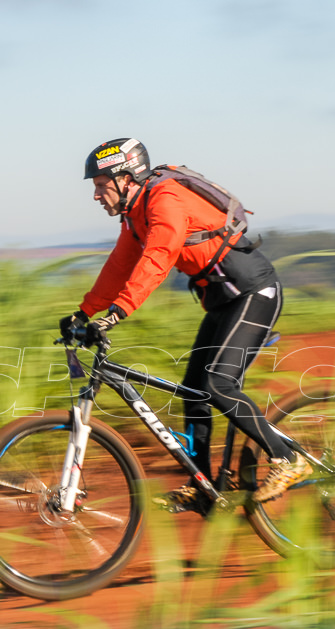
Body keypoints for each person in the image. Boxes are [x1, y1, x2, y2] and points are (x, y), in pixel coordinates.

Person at [59, 137, 312, 514]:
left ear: (125, 178)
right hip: (223, 303)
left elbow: (159, 257)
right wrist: (84, 313)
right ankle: (205, 488)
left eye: (100, 185)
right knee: (195, 391)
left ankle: (287, 458)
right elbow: (119, 268)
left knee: (217, 383)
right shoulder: (136, 216)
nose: (96, 195)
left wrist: (116, 314)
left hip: (254, 293)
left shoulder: (165, 199)